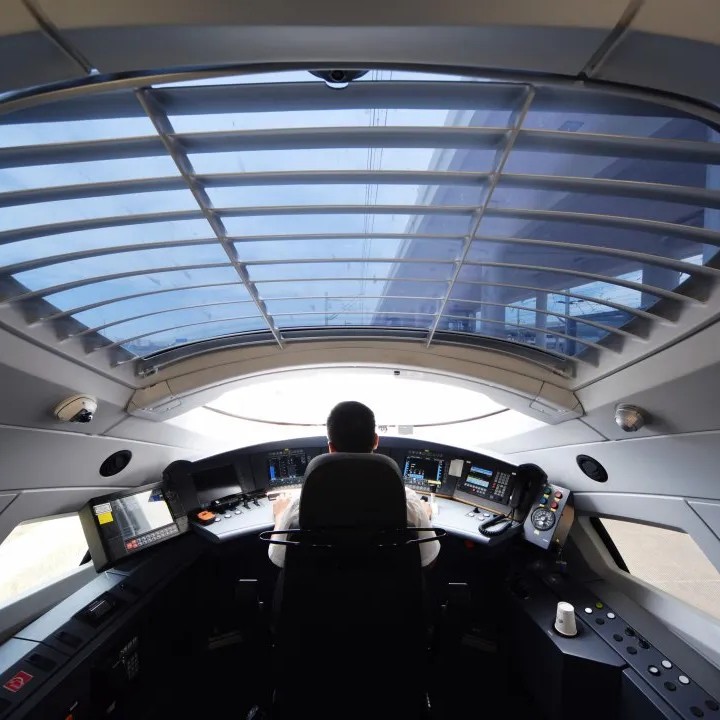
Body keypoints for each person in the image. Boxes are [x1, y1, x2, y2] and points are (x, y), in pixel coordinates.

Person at [268, 400, 440, 568]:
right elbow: (429, 561)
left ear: (330, 447)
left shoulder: (302, 503)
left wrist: (280, 516)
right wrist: (424, 515)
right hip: (388, 587)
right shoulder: (407, 501)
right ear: (376, 441)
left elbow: (278, 559)